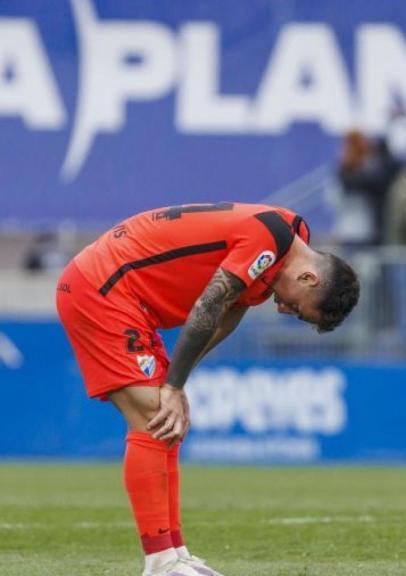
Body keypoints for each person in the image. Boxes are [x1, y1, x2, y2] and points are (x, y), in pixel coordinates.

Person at [55, 202, 360, 574]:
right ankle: (161, 562)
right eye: (297, 308)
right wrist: (172, 386)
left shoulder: (290, 241)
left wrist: (176, 384)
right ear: (309, 278)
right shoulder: (271, 239)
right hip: (103, 286)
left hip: (126, 296)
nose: (284, 310)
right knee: (154, 415)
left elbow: (231, 309)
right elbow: (211, 302)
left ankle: (175, 553)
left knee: (169, 420)